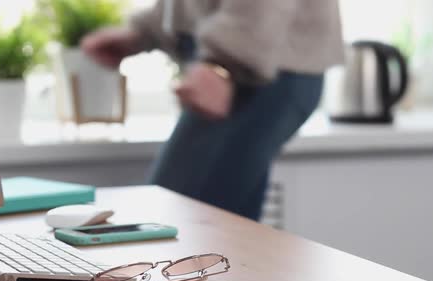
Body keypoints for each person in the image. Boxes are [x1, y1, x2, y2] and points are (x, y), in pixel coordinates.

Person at [82, 0, 344, 221]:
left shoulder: (232, 61)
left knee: (171, 221)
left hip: (257, 72)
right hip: (252, 65)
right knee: (226, 238)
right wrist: (146, 31)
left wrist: (223, 61)